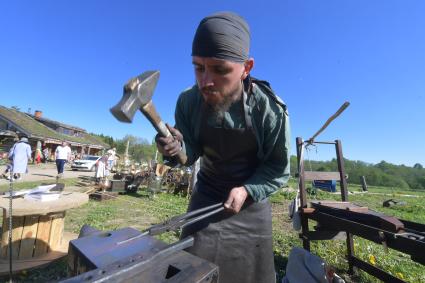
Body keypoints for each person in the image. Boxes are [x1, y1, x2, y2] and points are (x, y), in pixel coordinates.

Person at [156, 12, 290, 283]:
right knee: (191, 271)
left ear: (246, 68)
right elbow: (190, 150)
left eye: (220, 69)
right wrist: (176, 148)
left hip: (250, 204)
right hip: (207, 195)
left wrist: (247, 190)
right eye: (198, 67)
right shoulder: (188, 101)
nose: (205, 81)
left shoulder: (270, 110)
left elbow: (277, 167)